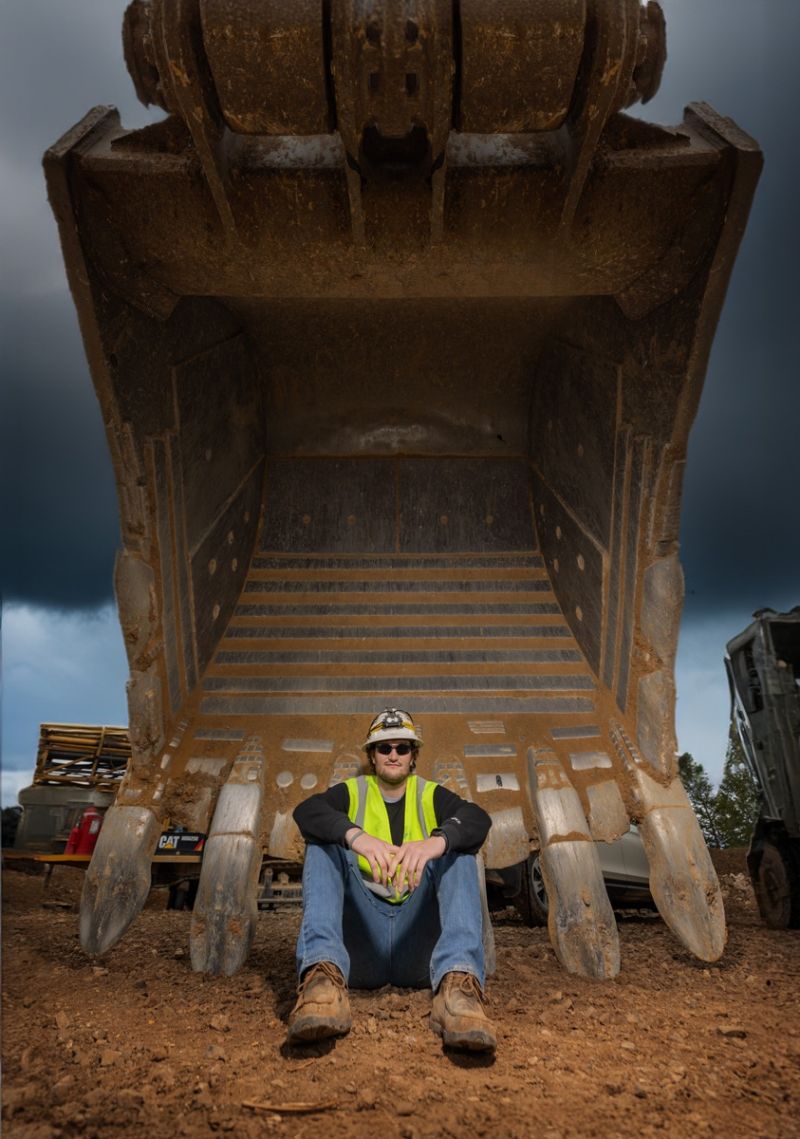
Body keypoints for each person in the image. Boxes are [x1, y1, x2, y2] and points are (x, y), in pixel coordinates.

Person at [288, 708, 496, 1052]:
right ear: (372, 755)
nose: (394, 755)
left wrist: (436, 842)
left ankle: (458, 990)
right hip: (359, 948)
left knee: (459, 849)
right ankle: (322, 982)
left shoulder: (429, 794)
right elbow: (306, 812)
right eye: (385, 748)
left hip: (418, 949)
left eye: (402, 748)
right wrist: (356, 837)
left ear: (414, 755)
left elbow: (477, 819)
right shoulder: (353, 791)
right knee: (322, 843)